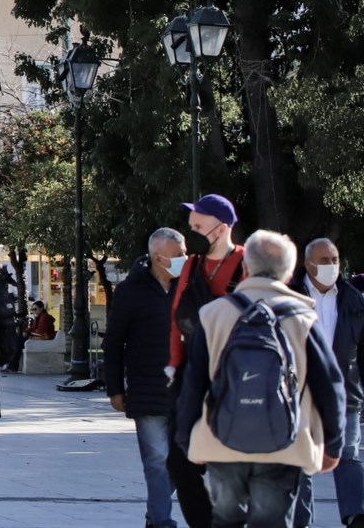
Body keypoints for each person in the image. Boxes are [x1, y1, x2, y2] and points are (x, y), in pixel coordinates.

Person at [176, 230, 346, 527]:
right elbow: (329, 384)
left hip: (221, 439)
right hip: (284, 442)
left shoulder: (213, 314)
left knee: (225, 519)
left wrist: (186, 438)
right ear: (290, 270)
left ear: (245, 268)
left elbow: (194, 383)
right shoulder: (304, 318)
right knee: (271, 521)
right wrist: (333, 444)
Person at [166, 193, 245, 528]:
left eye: (198, 223)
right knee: (181, 462)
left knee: (229, 461)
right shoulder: (193, 266)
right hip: (193, 374)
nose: (192, 228)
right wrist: (174, 364)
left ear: (222, 227)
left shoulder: (245, 262)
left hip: (234, 375)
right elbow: (176, 318)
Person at [104, 228, 186, 528]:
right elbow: (114, 343)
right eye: (178, 255)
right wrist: (114, 388)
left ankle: (155, 514)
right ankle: (162, 522)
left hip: (186, 391)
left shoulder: (190, 288)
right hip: (147, 391)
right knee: (156, 462)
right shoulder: (130, 290)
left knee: (183, 463)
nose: (184, 259)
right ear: (157, 257)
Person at [292, 238, 364, 528]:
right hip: (301, 394)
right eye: (324, 261)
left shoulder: (353, 299)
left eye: (334, 260)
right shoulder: (289, 296)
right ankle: (300, 522)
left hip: (344, 392)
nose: (332, 266)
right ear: (308, 264)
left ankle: (357, 517)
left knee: (348, 456)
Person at [4, 301, 58, 373]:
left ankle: (12, 367)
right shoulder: (39, 316)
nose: (34, 311)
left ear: (41, 308)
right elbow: (33, 327)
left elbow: (40, 331)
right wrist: (26, 331)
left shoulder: (44, 317)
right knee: (18, 341)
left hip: (44, 338)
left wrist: (29, 333)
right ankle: (12, 366)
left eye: (36, 309)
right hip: (38, 337)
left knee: (18, 342)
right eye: (33, 310)